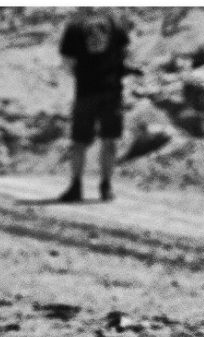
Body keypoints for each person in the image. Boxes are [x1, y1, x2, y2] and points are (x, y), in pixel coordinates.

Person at [58, 7, 130, 202]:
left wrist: (84, 75)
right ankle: (106, 187)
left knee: (79, 141)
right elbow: (126, 52)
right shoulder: (114, 22)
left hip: (85, 92)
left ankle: (76, 186)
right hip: (112, 90)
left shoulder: (73, 26)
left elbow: (67, 62)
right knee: (110, 140)